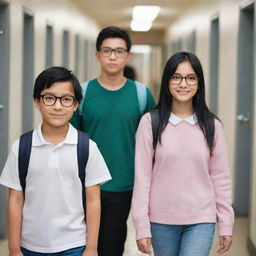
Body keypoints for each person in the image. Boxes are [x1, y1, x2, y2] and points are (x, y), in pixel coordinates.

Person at [0, 66, 111, 256]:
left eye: (66, 99)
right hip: (30, 246)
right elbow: (15, 200)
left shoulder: (86, 147)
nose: (58, 106)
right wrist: (13, 248)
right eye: (49, 98)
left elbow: (93, 201)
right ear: (37, 101)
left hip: (74, 245)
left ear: (75, 105)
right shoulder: (22, 147)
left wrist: (92, 247)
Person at [132, 51, 234, 256]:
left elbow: (221, 178)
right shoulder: (150, 123)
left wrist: (226, 223)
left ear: (199, 83)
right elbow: (143, 178)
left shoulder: (212, 126)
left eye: (191, 78)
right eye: (176, 77)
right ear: (167, 82)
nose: (183, 84)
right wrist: (141, 225)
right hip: (161, 219)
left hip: (201, 219)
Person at [70, 26, 155, 256]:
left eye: (119, 51)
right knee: (83, 245)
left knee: (112, 245)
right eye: (107, 51)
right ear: (97, 55)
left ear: (128, 55)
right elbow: (71, 141)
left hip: (123, 183)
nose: (113, 56)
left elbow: (154, 142)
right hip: (85, 184)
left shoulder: (141, 94)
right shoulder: (83, 93)